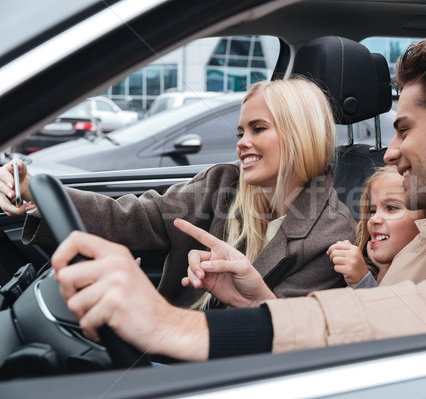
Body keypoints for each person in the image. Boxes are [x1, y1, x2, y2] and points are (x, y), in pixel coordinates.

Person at [48, 28, 426, 361]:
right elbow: (367, 317)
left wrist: (180, 327)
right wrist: (258, 300)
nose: (388, 151)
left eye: (404, 129)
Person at [0, 78, 356, 309]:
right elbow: (135, 217)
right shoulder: (222, 184)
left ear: (299, 135)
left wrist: (143, 308)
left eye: (258, 129)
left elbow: (282, 337)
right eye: (239, 132)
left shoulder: (331, 234)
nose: (242, 144)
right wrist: (37, 191)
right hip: (162, 346)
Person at [327, 166, 426, 288]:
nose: (373, 219)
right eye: (372, 210)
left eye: (392, 208)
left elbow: (386, 306)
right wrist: (384, 270)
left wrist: (361, 281)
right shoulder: (376, 272)